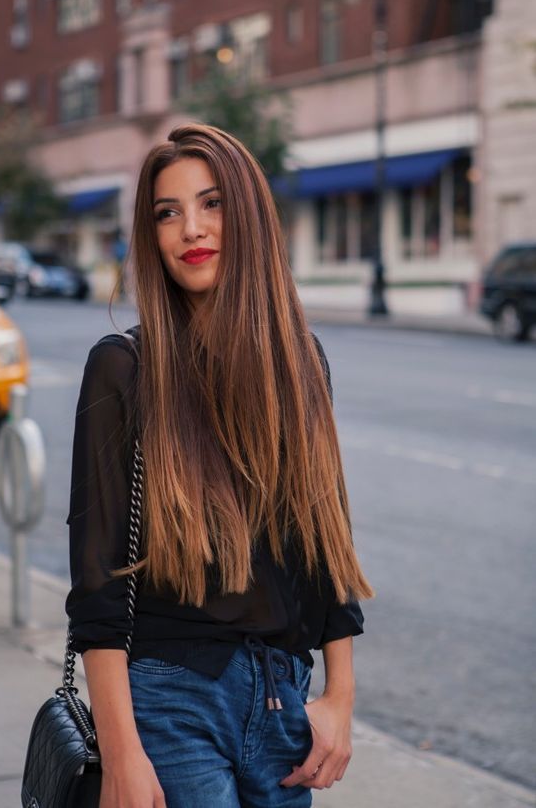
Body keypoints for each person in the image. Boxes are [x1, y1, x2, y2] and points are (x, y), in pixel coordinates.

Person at [66, 123, 374, 808]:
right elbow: (97, 581)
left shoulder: (300, 360)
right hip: (170, 702)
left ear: (249, 216)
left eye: (212, 204)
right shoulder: (124, 367)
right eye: (167, 213)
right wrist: (121, 752)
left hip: (284, 705)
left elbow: (324, 537)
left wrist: (338, 698)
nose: (190, 229)